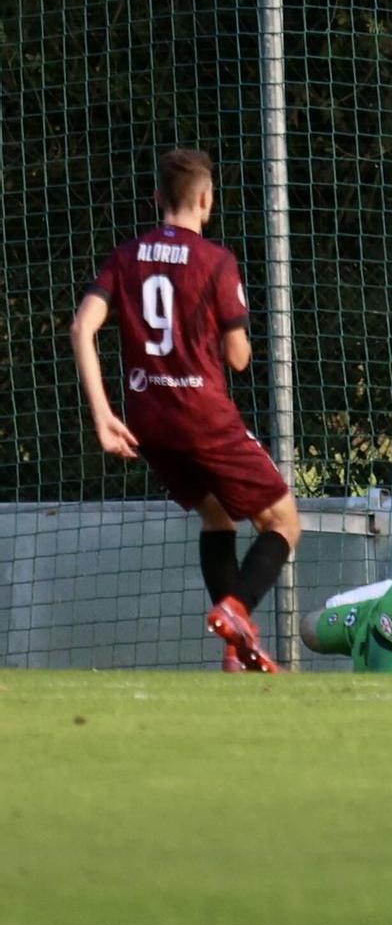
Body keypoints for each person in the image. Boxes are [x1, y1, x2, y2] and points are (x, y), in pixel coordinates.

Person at [70, 148, 298, 672]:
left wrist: (103, 415)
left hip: (148, 419)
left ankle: (236, 650)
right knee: (284, 521)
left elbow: (82, 327)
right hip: (202, 415)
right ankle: (237, 610)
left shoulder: (126, 257)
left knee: (216, 516)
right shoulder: (216, 262)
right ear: (206, 199)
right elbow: (238, 359)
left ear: (157, 199)